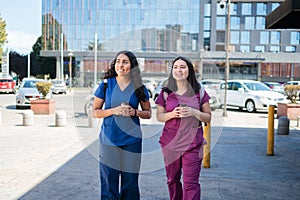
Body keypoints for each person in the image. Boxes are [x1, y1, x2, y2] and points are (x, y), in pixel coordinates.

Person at [93, 50, 151, 200]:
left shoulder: (139, 87)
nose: (120, 65)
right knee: (109, 184)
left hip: (132, 141)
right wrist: (114, 110)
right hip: (109, 140)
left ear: (132, 66)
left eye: (125, 62)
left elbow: (148, 113)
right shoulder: (106, 85)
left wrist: (135, 112)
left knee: (130, 184)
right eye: (118, 61)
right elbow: (95, 112)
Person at [155, 56, 211, 200]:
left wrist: (194, 112)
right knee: (172, 180)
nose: (179, 70)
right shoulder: (166, 92)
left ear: (189, 70)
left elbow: (208, 117)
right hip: (170, 144)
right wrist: (172, 114)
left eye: (183, 67)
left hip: (193, 144)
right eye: (176, 67)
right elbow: (159, 116)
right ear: (172, 70)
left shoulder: (199, 90)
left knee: (190, 184)